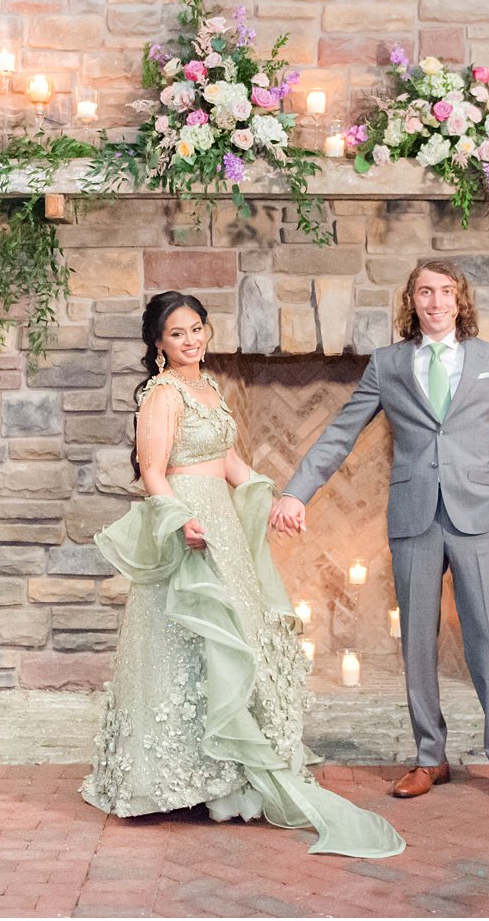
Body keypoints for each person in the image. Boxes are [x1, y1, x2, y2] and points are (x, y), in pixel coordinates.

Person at [80, 291, 404, 858]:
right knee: (189, 639)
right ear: (158, 343)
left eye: (197, 328)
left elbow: (226, 461)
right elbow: (154, 472)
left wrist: (273, 494)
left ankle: (230, 776)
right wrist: (181, 519)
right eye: (177, 333)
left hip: (223, 523)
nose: (191, 340)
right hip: (190, 521)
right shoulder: (161, 393)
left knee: (237, 638)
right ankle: (178, 776)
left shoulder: (211, 387)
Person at [270, 259, 489, 809]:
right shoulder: (389, 364)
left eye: (445, 292)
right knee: (417, 641)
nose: (435, 302)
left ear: (460, 300)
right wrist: (295, 491)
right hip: (414, 518)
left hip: (478, 517)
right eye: (424, 292)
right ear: (411, 302)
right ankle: (429, 757)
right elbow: (342, 432)